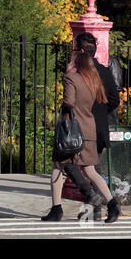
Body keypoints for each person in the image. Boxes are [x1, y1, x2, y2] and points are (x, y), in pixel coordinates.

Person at [42, 48, 121, 223]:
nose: (68, 63)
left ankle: (59, 208)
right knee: (90, 170)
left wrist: (63, 107)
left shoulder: (71, 78)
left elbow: (69, 102)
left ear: (76, 64)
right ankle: (113, 204)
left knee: (58, 164)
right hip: (89, 128)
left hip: (73, 131)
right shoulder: (92, 80)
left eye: (70, 61)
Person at [74, 33, 120, 221]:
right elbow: (115, 100)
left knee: (73, 165)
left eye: (76, 48)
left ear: (82, 50)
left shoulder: (80, 72)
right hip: (100, 125)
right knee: (93, 167)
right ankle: (97, 208)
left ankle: (104, 206)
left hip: (83, 125)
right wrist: (101, 112)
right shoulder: (104, 71)